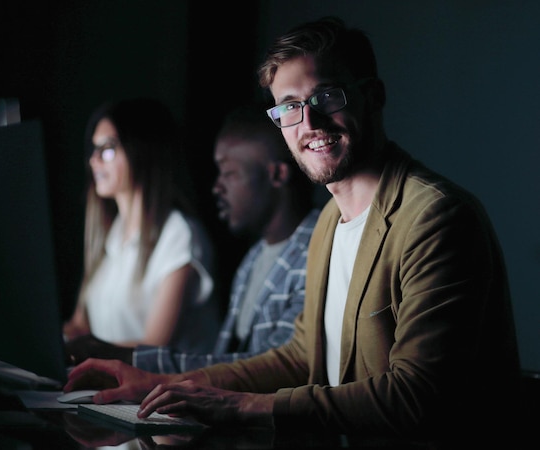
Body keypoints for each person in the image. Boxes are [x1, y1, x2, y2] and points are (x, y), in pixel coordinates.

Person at [63, 17, 521, 446]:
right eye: (289, 107)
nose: (310, 123)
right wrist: (163, 382)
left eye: (328, 97)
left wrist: (241, 406)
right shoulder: (327, 222)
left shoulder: (436, 217)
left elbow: (415, 397)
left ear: (374, 96)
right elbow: (299, 356)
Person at [64, 104, 321, 373]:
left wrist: (103, 353)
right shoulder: (253, 259)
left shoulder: (180, 236)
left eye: (230, 173)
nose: (217, 187)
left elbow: (277, 369)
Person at [63, 97, 220, 354]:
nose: (94, 161)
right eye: (94, 150)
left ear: (142, 150)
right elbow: (79, 325)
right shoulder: (111, 234)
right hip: (106, 387)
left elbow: (153, 350)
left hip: (157, 392)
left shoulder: (179, 235)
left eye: (108, 149)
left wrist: (83, 350)